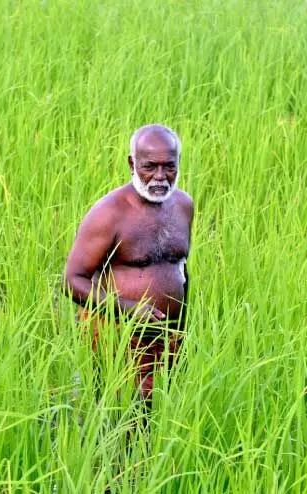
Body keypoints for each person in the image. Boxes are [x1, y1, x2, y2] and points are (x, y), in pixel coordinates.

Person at [63, 124, 194, 408]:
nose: (160, 177)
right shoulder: (109, 213)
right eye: (150, 167)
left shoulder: (184, 206)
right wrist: (129, 308)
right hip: (117, 337)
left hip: (167, 337)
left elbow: (182, 270)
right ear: (132, 164)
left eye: (168, 167)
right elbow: (72, 280)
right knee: (112, 416)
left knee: (159, 417)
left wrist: (186, 330)